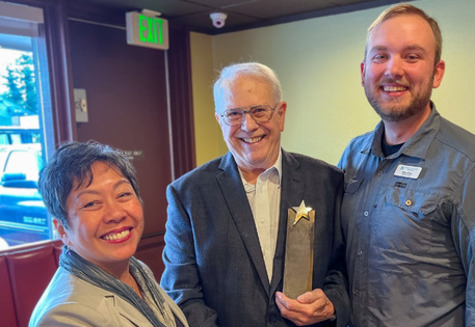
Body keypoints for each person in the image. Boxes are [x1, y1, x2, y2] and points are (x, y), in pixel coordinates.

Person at [337, 3, 475, 326]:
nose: (393, 70)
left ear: (436, 72)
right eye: (380, 56)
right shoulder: (353, 157)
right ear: (364, 71)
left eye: (411, 56)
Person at [161, 62, 349, 327]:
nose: (248, 125)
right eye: (234, 114)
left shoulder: (328, 182)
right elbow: (181, 294)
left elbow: (345, 268)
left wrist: (332, 303)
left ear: (281, 114)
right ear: (219, 120)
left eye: (259, 110)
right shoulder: (188, 195)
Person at [29, 141, 189, 327]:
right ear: (62, 230)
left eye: (123, 194)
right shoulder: (64, 317)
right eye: (91, 203)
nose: (116, 214)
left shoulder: (135, 269)